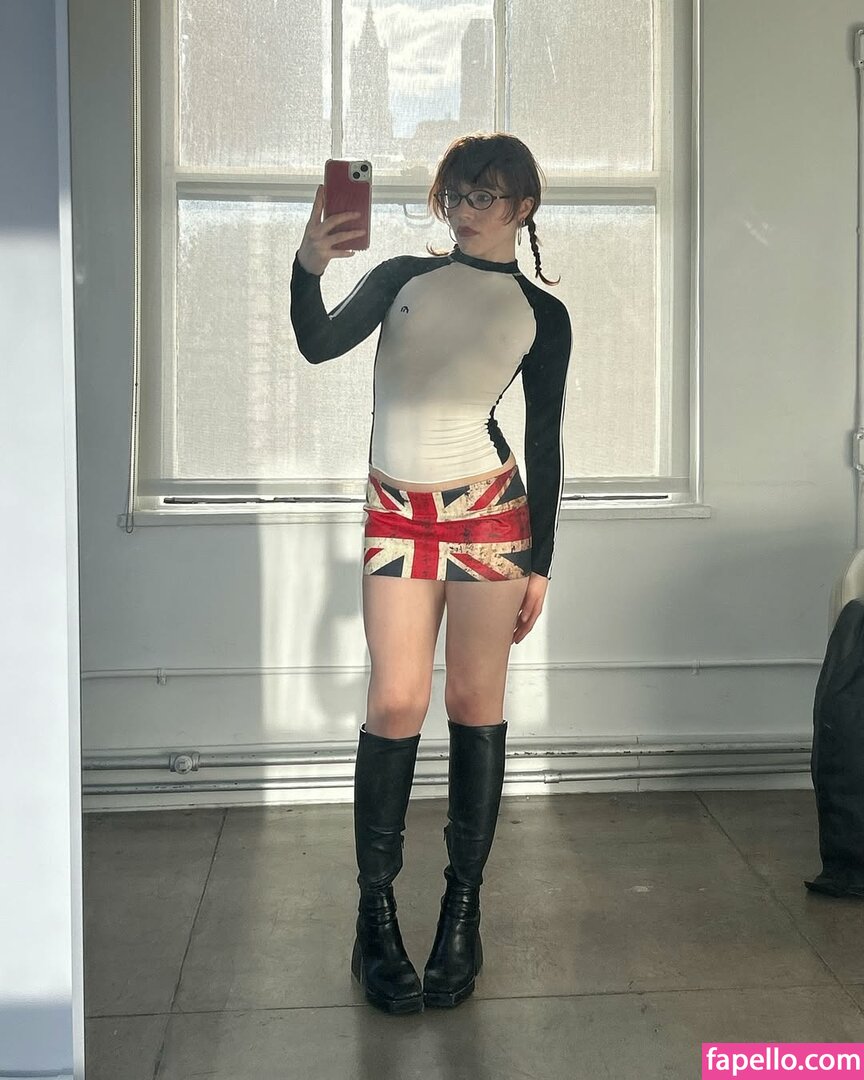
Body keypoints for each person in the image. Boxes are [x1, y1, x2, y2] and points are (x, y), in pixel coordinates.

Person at [289, 132, 572, 1014]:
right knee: (396, 702)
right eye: (454, 195)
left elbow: (545, 443)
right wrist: (307, 265)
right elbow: (316, 343)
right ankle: (374, 922)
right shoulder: (401, 277)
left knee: (473, 703)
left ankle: (461, 914)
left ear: (523, 206)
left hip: (490, 516)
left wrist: (542, 565)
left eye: (484, 196)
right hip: (396, 512)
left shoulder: (540, 312)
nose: (464, 210)